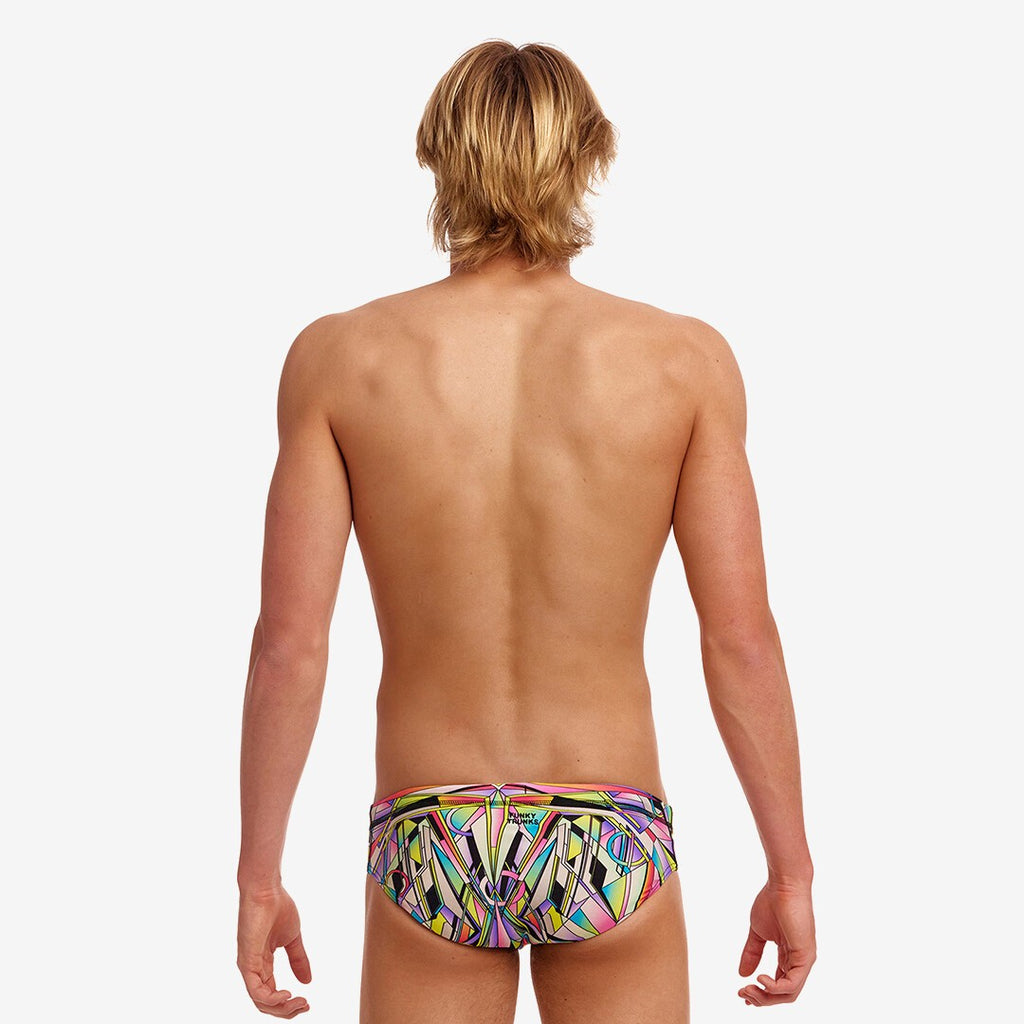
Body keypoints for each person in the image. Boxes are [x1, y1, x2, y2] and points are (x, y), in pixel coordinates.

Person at [235, 39, 815, 1023]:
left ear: (438, 154)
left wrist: (259, 878)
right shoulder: (681, 361)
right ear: (587, 156)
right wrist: (790, 869)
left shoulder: (340, 359)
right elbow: (740, 639)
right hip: (607, 832)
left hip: (431, 831)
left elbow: (290, 644)